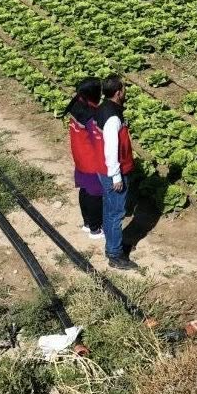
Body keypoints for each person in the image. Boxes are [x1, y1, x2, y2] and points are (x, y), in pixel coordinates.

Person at [95, 76, 138, 270]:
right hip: (112, 171)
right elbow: (111, 148)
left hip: (104, 169)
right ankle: (114, 254)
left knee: (109, 208)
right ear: (118, 92)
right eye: (124, 89)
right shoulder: (112, 117)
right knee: (116, 213)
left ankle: (112, 245)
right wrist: (116, 176)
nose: (126, 92)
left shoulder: (104, 107)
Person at [63, 78, 106, 241]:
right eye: (99, 91)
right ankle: (95, 229)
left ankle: (87, 223)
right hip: (91, 159)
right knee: (95, 194)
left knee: (85, 189)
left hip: (80, 156)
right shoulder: (90, 114)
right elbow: (98, 137)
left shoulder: (77, 105)